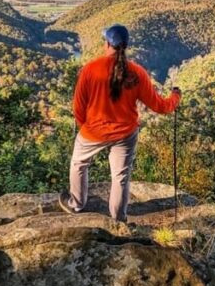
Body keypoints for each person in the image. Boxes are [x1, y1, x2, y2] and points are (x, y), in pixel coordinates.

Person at [60, 24, 181, 222]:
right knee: (120, 177)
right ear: (126, 46)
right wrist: (175, 97)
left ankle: (76, 204)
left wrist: (85, 128)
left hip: (93, 132)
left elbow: (78, 107)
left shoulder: (90, 70)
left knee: (79, 164)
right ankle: (118, 218)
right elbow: (161, 106)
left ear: (107, 43)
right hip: (125, 133)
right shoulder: (137, 73)